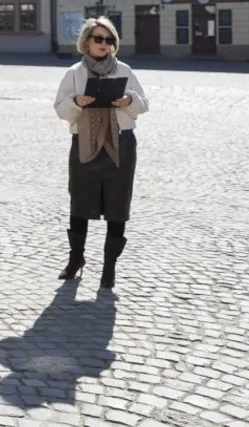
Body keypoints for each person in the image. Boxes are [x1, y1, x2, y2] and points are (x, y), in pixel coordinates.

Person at [53, 16, 149, 291]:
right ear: (87, 42)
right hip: (84, 142)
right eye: (98, 39)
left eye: (109, 40)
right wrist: (76, 102)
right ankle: (76, 259)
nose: (104, 44)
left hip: (121, 144)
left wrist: (129, 100)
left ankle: (109, 268)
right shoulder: (74, 73)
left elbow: (144, 104)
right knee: (80, 203)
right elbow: (59, 107)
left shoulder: (126, 70)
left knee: (118, 205)